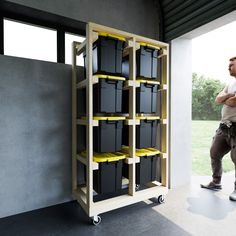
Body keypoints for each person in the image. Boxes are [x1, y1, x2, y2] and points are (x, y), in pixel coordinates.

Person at [201, 56, 236, 201]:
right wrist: (229, 95)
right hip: (223, 127)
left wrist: (226, 99)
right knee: (214, 153)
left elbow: (233, 102)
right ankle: (216, 183)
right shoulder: (231, 83)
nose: (228, 67)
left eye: (231, 65)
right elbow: (217, 99)